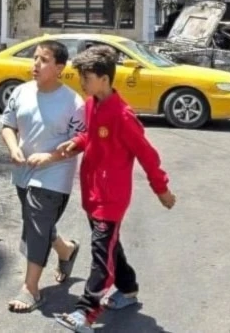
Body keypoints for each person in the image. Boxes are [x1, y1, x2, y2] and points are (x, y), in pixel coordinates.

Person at [55, 45, 176, 333]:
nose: (82, 83)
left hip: (111, 198)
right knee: (110, 247)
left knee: (101, 255)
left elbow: (148, 155)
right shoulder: (91, 104)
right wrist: (77, 143)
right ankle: (128, 288)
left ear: (105, 79)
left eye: (86, 78)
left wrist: (162, 190)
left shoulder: (123, 116)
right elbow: (91, 136)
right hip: (92, 193)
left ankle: (86, 312)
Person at [0, 40, 85, 313]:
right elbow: (7, 125)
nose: (35, 64)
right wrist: (13, 148)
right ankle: (66, 250)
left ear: (60, 67)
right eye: (35, 58)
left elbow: (78, 143)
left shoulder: (73, 103)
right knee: (38, 222)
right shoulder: (21, 92)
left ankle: (31, 289)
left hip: (54, 174)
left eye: (44, 60)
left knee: (36, 226)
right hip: (23, 171)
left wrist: (50, 158)